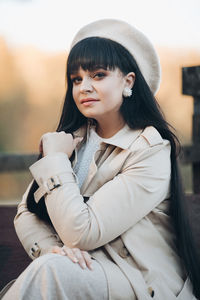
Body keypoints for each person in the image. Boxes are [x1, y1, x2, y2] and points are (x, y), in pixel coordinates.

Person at [1, 19, 199, 300]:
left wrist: (56, 159)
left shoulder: (150, 149)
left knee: (52, 273)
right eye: (76, 79)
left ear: (128, 81)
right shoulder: (72, 140)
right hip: (83, 270)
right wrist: (53, 251)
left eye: (98, 75)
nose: (84, 87)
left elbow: (82, 233)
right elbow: (26, 212)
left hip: (139, 282)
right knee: (52, 269)